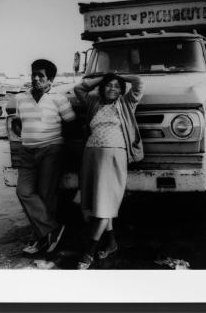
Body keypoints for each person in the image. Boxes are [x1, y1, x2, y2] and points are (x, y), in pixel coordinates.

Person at [74, 72, 143, 269]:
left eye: (117, 86)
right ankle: (112, 242)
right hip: (91, 154)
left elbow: (138, 82)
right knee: (98, 201)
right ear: (103, 87)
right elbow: (79, 88)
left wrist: (118, 76)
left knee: (107, 202)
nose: (113, 89)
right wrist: (105, 77)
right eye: (109, 85)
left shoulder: (126, 103)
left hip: (114, 155)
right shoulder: (93, 103)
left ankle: (89, 251)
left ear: (122, 90)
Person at [13, 59, 76, 255]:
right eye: (34, 74)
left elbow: (72, 124)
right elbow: (17, 122)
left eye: (41, 75)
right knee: (23, 192)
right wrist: (26, 134)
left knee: (46, 195)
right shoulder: (21, 98)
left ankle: (40, 238)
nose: (36, 78)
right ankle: (52, 230)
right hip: (27, 152)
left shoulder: (59, 98)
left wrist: (59, 145)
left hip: (51, 150)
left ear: (51, 79)